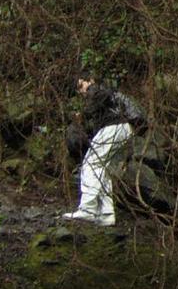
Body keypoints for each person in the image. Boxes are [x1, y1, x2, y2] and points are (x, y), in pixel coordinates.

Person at [62, 76, 147, 226]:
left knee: (90, 164)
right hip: (125, 130)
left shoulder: (97, 89)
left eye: (82, 85)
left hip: (113, 128)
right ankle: (107, 214)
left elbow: (98, 100)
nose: (81, 90)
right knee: (104, 169)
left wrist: (82, 113)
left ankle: (87, 209)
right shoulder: (106, 92)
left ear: (91, 80)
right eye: (79, 88)